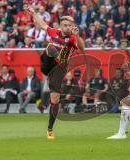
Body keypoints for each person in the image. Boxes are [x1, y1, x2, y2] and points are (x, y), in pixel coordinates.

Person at [26, 6, 84, 139]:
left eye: (70, 25)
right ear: (61, 26)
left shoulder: (72, 38)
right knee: (51, 47)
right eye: (65, 25)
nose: (68, 27)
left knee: (55, 99)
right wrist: (34, 13)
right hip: (48, 64)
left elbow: (82, 48)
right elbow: (42, 24)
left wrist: (78, 35)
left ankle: (50, 129)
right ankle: (56, 56)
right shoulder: (55, 32)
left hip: (59, 69)